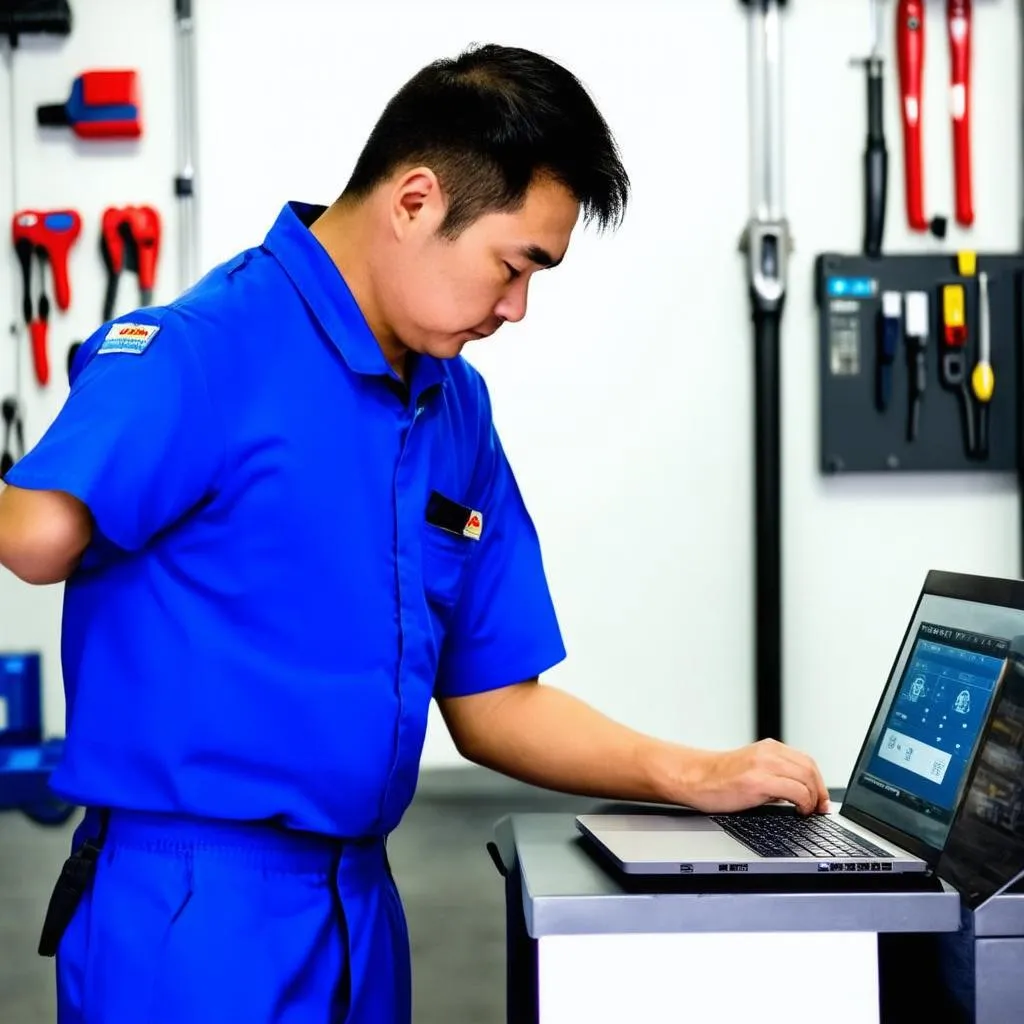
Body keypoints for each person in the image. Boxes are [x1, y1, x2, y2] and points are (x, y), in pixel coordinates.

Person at [0, 42, 829, 1024]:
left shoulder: (452, 409)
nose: (517, 307)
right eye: (513, 265)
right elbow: (33, 535)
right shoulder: (205, 349)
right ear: (415, 201)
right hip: (190, 912)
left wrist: (695, 772)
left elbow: (489, 701)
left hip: (358, 908)